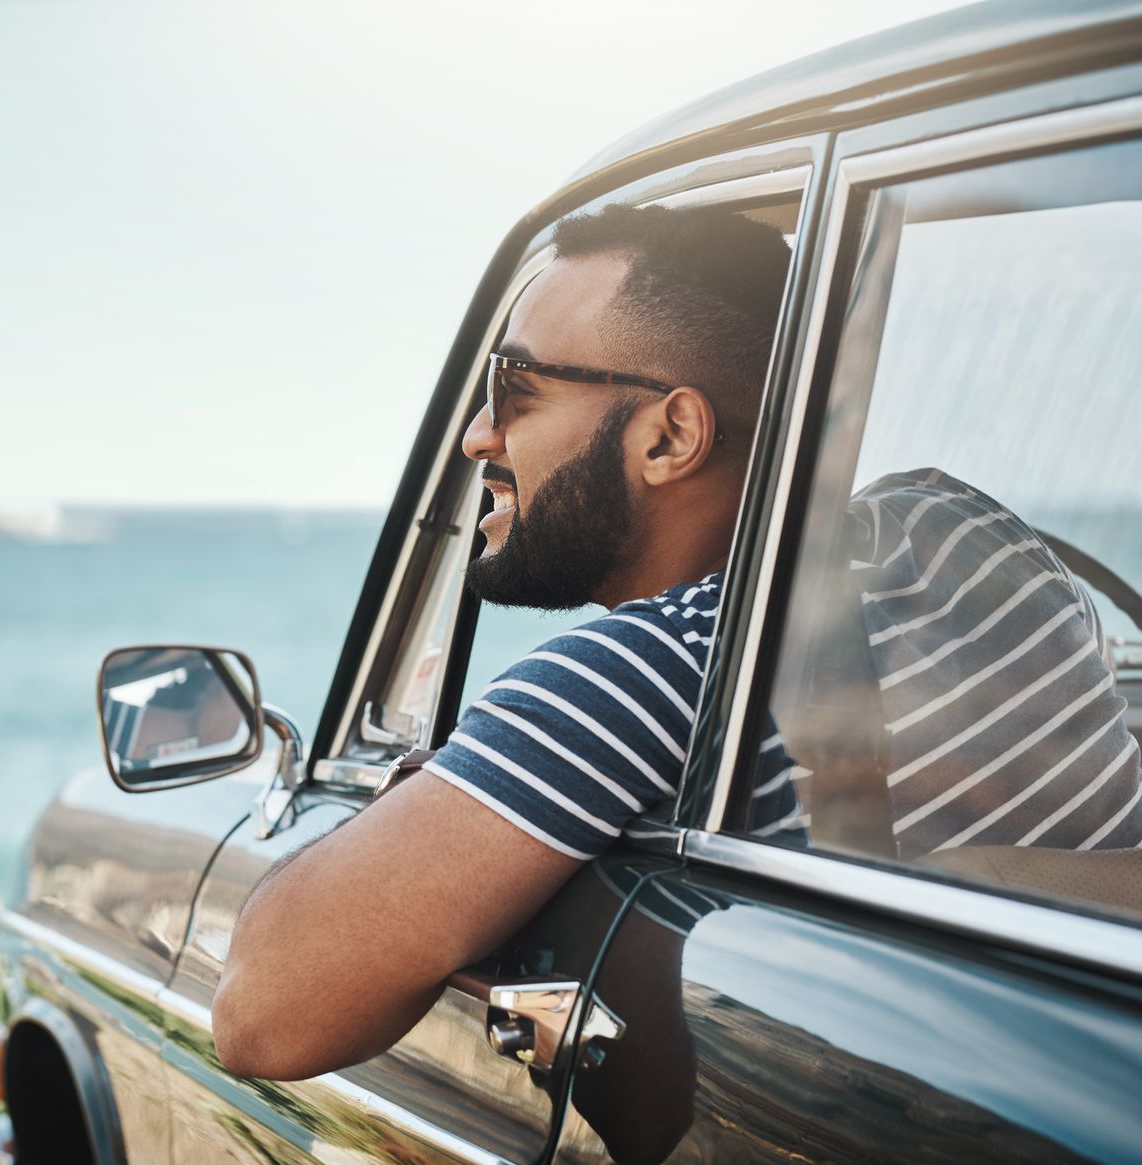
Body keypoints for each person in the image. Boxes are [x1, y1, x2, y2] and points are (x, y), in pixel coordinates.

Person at [212, 203, 798, 1081]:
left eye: (515, 393)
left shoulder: (652, 671)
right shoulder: (949, 536)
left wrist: (433, 799)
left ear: (670, 436)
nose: (476, 434)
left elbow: (260, 1015)